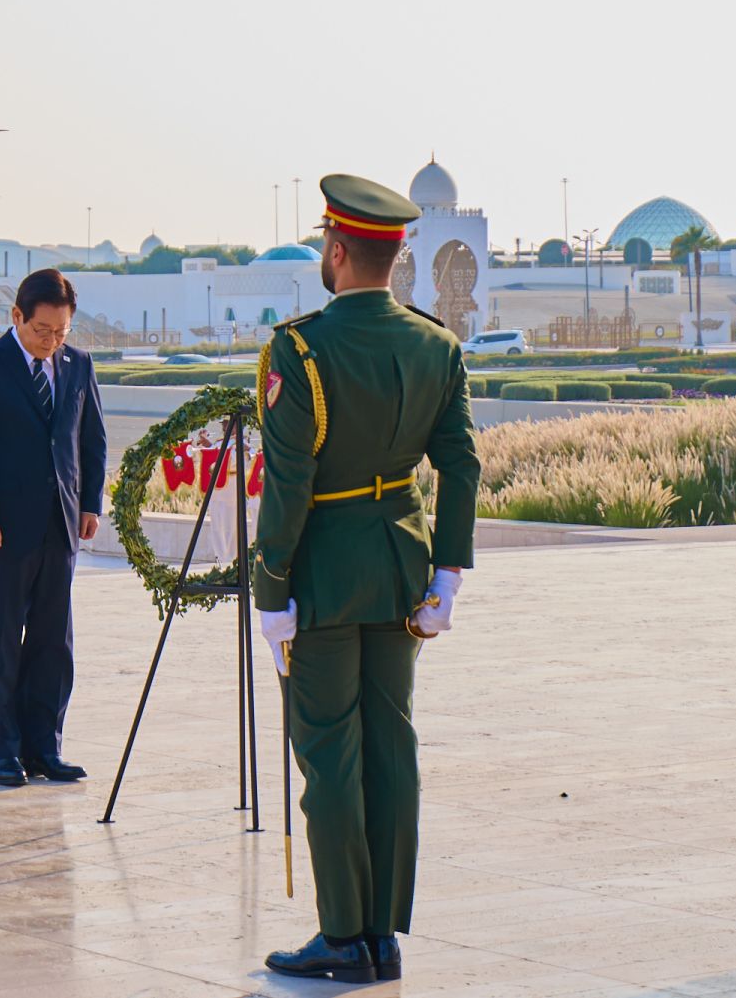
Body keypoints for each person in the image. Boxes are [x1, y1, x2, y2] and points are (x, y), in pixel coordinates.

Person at [252, 174, 481, 986]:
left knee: (329, 755)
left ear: (340, 251)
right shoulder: (436, 343)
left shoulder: (301, 347)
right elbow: (460, 464)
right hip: (400, 571)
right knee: (393, 746)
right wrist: (447, 571)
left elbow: (286, 482)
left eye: (323, 243)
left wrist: (270, 588)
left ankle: (343, 934)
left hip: (320, 573)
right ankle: (382, 932)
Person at [0, 266, 108, 788]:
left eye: (62, 332)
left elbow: (90, 441)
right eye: (42, 331)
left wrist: (89, 503)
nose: (52, 341)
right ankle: (3, 750)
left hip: (59, 526)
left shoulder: (79, 365)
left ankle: (45, 747)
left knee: (52, 643)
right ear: (16, 316)